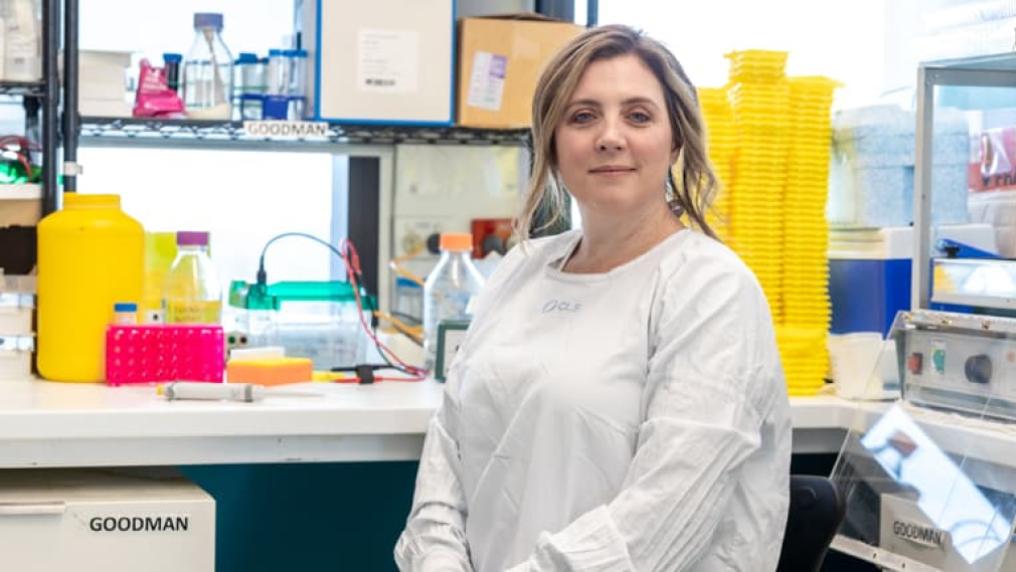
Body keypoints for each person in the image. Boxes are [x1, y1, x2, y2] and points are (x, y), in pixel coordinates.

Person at [395, 24, 791, 571]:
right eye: (583, 116)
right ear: (553, 144)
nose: (610, 136)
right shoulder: (522, 269)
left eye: (638, 115)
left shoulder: (710, 290)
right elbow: (447, 455)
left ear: (675, 139)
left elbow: (663, 520)